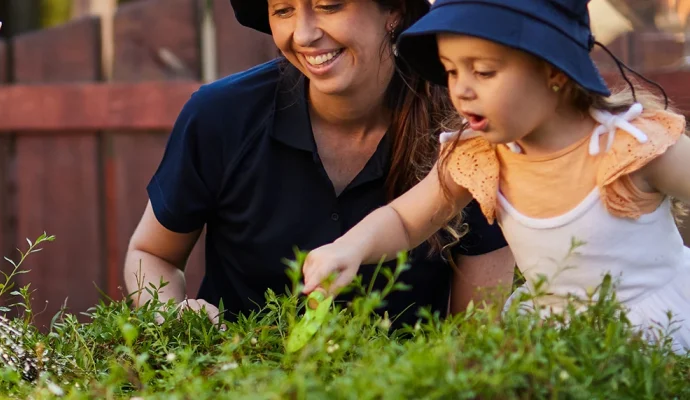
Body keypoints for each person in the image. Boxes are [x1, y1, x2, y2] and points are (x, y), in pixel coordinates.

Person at [301, 0, 690, 352]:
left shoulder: (634, 147)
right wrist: (349, 247)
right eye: (451, 71)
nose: (461, 90)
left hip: (657, 333)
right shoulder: (483, 155)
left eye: (484, 71)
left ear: (552, 70)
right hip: (557, 343)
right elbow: (404, 221)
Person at [124, 0, 515, 329]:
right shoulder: (220, 116)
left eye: (329, 5)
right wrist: (172, 320)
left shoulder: (466, 134)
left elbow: (475, 337)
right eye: (283, 10)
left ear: (393, 10)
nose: (304, 34)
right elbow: (151, 253)